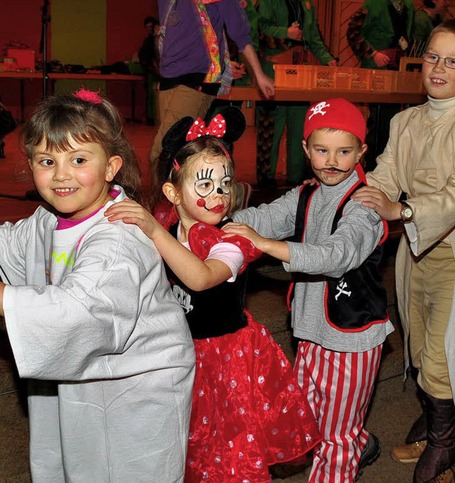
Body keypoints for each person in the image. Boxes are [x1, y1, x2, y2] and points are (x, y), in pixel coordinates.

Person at [105, 107, 321, 482]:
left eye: (224, 184)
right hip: (177, 351)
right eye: (204, 185)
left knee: (228, 449)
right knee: (182, 443)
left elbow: (202, 277)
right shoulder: (169, 228)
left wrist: (154, 233)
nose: (218, 196)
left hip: (226, 362)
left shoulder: (233, 239)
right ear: (173, 192)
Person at [0, 89, 195, 481]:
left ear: (111, 167)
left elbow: (81, 311)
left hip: (138, 390)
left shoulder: (119, 235)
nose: (61, 174)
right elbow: (9, 244)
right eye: (47, 160)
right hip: (88, 381)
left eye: (78, 159)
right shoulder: (47, 220)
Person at [351, 18, 455, 482]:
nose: (438, 68)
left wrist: (402, 210)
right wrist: (343, 196)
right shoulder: (405, 120)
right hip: (416, 248)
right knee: (416, 340)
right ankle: (432, 420)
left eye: (453, 61)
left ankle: (443, 446)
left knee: (441, 351)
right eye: (433, 56)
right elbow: (385, 173)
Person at [224, 98, 394, 481]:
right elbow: (264, 217)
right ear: (305, 150)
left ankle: (350, 447)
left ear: (362, 152)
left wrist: (266, 246)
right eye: (322, 150)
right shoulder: (306, 193)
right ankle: (358, 441)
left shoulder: (364, 205)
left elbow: (337, 255)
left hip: (351, 338)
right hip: (310, 331)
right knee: (308, 415)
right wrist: (215, 217)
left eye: (344, 151)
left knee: (336, 437)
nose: (331, 161)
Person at [150, 0, 275, 177]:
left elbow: (241, 36)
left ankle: (160, 201)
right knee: (182, 151)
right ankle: (186, 197)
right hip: (168, 76)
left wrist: (258, 74)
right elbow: (180, 35)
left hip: (198, 78)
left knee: (163, 150)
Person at [256, 0, 337, 188]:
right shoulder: (267, 2)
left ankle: (296, 176)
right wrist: (286, 32)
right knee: (270, 130)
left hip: (300, 76)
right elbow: (259, 30)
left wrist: (328, 59)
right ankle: (265, 179)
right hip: (272, 74)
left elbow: (314, 38)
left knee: (300, 128)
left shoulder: (307, 5)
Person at [346, 0, 415, 166]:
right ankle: (371, 165)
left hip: (399, 70)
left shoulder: (409, 7)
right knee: (377, 121)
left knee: (394, 119)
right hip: (375, 71)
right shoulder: (373, 4)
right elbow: (352, 32)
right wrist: (372, 53)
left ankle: (389, 165)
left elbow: (409, 37)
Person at [138, 16, 160, 126]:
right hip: (152, 71)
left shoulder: (156, 40)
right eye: (148, 27)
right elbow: (143, 57)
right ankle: (151, 118)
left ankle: (153, 117)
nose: (150, 29)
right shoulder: (150, 40)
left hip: (157, 71)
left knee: (155, 96)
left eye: (151, 27)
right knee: (152, 96)